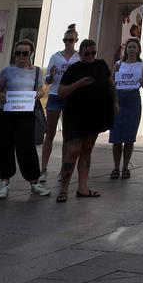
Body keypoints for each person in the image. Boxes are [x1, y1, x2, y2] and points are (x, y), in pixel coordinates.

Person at [0, 38, 51, 198]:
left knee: (27, 147)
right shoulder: (6, 71)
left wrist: (40, 93)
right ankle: (4, 183)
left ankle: (34, 182)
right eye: (18, 53)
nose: (21, 56)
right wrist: (1, 95)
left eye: (24, 53)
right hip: (5, 113)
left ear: (30, 54)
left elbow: (40, 90)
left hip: (25, 113)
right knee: (3, 147)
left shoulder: (37, 71)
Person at [56, 38, 114, 201]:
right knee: (73, 151)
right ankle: (63, 189)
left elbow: (110, 84)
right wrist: (79, 84)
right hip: (75, 115)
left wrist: (115, 102)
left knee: (87, 149)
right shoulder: (73, 69)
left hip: (95, 114)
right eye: (87, 53)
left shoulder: (101, 65)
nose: (90, 56)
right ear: (80, 53)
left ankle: (83, 188)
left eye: (93, 53)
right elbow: (61, 92)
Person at [40, 25, 80, 179]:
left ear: (76, 40)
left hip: (71, 97)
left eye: (70, 40)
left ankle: (64, 169)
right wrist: (50, 76)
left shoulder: (79, 57)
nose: (68, 43)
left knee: (67, 135)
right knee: (49, 133)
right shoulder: (55, 56)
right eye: (65, 40)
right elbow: (47, 80)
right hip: (55, 95)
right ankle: (43, 169)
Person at [109, 37, 143, 179]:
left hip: (133, 100)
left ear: (138, 49)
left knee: (129, 137)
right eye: (129, 47)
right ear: (126, 49)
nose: (131, 49)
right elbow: (111, 82)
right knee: (116, 136)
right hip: (119, 99)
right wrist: (114, 100)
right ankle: (115, 167)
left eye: (134, 47)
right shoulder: (119, 64)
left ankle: (125, 167)